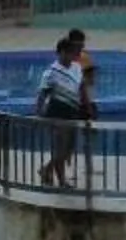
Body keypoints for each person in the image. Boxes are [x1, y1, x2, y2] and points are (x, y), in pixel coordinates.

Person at [34, 33, 94, 187]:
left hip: (72, 112)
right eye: (67, 52)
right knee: (61, 147)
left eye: (72, 52)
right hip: (57, 112)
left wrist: (87, 109)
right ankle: (61, 180)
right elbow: (42, 93)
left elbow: (82, 89)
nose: (70, 55)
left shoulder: (76, 68)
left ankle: (46, 169)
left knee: (69, 149)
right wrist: (39, 112)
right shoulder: (51, 72)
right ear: (60, 53)